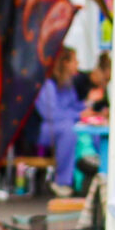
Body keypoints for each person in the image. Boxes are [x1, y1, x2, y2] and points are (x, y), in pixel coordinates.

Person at [31, 49, 83, 186]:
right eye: (75, 61)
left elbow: (74, 105)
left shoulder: (67, 84)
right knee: (69, 131)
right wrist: (78, 115)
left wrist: (87, 109)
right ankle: (63, 181)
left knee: (84, 129)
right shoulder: (47, 84)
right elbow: (50, 114)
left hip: (63, 122)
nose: (78, 64)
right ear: (65, 63)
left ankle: (84, 173)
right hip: (42, 129)